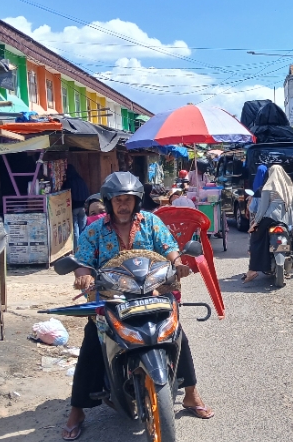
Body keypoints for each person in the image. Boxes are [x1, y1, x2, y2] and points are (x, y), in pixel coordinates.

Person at [62, 172, 213, 441]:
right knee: (91, 343)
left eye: (128, 200)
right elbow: (83, 260)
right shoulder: (95, 229)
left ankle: (190, 394)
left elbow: (170, 248)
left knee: (178, 335)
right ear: (109, 202)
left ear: (136, 201)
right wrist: (82, 275)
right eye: (118, 200)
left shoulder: (151, 223)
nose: (123, 205)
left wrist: (178, 264)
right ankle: (77, 410)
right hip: (111, 299)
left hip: (152, 294)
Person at [243, 165, 293, 282]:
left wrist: (255, 223)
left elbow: (262, 209)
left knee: (256, 238)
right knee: (291, 239)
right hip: (287, 220)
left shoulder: (267, 188)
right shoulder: (289, 187)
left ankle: (252, 270)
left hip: (270, 219)